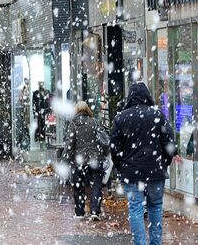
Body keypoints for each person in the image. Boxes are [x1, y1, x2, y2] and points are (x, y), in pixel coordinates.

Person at [111, 82, 177, 245]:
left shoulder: (121, 118)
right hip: (155, 172)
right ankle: (155, 242)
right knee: (155, 207)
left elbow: (114, 148)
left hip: (132, 173)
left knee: (135, 209)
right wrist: (164, 163)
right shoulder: (157, 115)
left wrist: (122, 167)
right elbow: (169, 143)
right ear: (147, 96)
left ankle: (140, 243)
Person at [65, 101, 108, 221]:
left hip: (79, 160)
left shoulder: (73, 124)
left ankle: (80, 211)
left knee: (78, 185)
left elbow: (70, 144)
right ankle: (94, 211)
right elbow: (103, 139)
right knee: (96, 185)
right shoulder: (94, 121)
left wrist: (66, 159)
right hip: (95, 159)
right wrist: (104, 154)